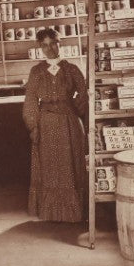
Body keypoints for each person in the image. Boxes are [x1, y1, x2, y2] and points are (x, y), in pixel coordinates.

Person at [22, 28, 89, 221]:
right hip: (46, 124)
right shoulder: (36, 72)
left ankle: (73, 213)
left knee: (70, 165)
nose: (49, 48)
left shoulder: (72, 69)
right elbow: (30, 101)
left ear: (60, 43)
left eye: (53, 43)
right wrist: (33, 126)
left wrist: (72, 110)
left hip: (69, 124)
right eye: (44, 45)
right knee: (50, 167)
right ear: (39, 47)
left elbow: (83, 95)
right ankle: (51, 213)